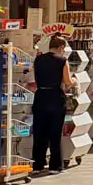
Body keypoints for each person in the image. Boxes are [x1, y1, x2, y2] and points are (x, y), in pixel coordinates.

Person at [32, 36, 75, 174]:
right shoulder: (62, 61)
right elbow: (67, 81)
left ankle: (37, 164)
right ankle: (55, 165)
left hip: (40, 96)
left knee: (40, 132)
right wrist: (74, 81)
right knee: (55, 132)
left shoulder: (38, 59)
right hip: (55, 97)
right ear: (62, 47)